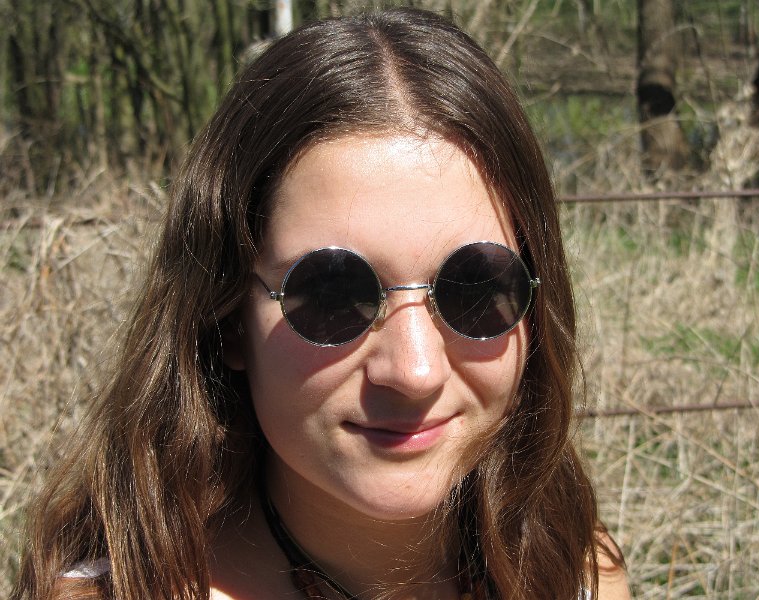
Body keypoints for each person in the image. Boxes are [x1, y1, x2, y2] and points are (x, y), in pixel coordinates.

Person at [13, 8, 630, 600]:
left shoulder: (573, 574)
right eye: (334, 294)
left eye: (474, 288)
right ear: (227, 319)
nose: (415, 371)